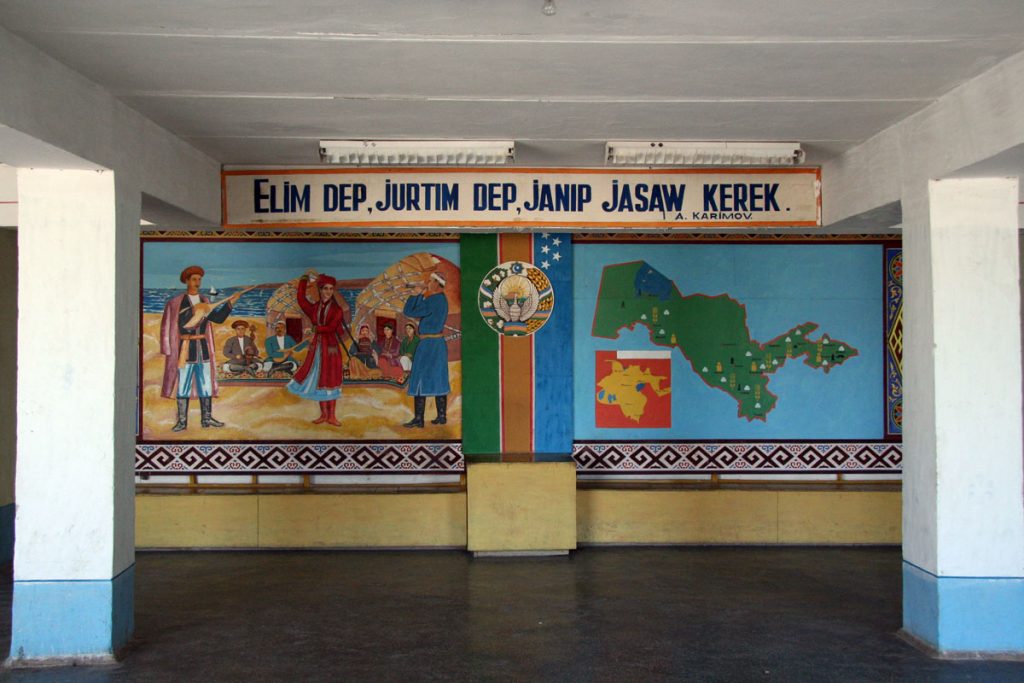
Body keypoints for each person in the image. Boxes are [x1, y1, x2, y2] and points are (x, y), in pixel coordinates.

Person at [160, 265, 242, 431]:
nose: (197, 282)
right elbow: (167, 325)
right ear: (187, 281)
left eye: (199, 279)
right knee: (183, 385)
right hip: (185, 348)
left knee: (205, 384)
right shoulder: (176, 302)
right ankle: (182, 422)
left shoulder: (205, 301)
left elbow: (217, 318)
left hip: (203, 348)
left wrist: (230, 304)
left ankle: (207, 419)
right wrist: (167, 349)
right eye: (194, 279)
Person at [287, 273, 345, 426]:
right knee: (319, 380)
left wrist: (315, 328)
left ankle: (332, 416)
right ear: (320, 290)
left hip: (330, 349)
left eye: (331, 289)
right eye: (325, 288)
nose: (328, 291)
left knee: (330, 380)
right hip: (316, 349)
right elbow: (301, 300)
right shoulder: (315, 308)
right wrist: (303, 280)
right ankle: (323, 415)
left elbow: (331, 327)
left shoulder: (337, 310)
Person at [402, 272, 450, 427]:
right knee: (439, 378)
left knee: (419, 379)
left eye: (430, 281)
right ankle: (441, 417)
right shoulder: (441, 299)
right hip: (438, 344)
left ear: (437, 283)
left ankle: (419, 419)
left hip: (428, 344)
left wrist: (416, 294)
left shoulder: (433, 300)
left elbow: (409, 312)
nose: (427, 283)